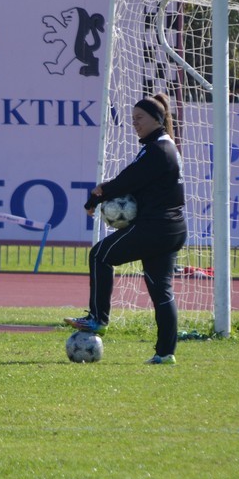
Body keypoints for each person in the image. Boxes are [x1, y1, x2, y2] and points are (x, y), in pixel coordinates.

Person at [64, 92, 187, 364]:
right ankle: (165, 354)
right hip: (172, 229)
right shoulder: (162, 146)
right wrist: (106, 191)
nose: (135, 123)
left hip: (156, 227)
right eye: (132, 118)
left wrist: (97, 196)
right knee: (161, 292)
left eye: (140, 118)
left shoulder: (157, 150)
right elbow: (136, 181)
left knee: (100, 255)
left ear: (157, 119)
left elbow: (127, 180)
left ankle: (98, 319)